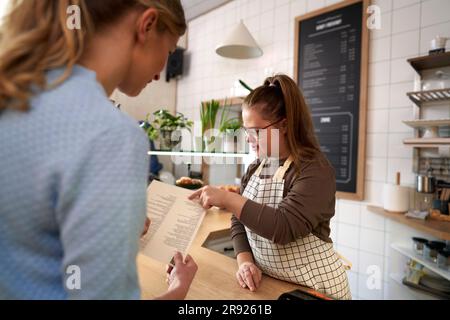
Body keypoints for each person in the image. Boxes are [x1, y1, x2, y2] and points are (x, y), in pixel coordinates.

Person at [0, 0, 197, 299]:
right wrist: (178, 291)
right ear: (146, 25)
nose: (160, 72)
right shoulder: (110, 134)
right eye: (169, 51)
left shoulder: (16, 95)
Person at [189, 75, 351, 300]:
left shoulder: (314, 170)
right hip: (274, 286)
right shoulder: (259, 166)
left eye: (255, 131)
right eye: (246, 131)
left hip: (316, 289)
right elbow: (239, 219)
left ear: (283, 125)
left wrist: (227, 199)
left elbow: (283, 227)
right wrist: (245, 261)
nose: (248, 139)